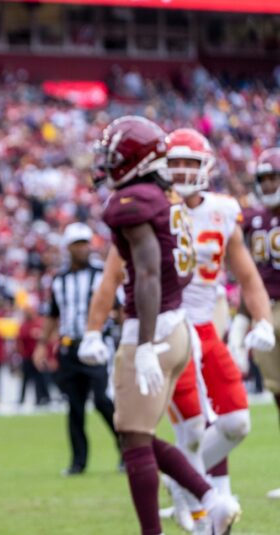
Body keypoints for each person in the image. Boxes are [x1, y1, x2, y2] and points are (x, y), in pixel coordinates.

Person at [82, 116, 240, 534]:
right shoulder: (163, 196)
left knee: (133, 442)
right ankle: (211, 498)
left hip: (149, 330)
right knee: (141, 434)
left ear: (136, 159)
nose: (106, 164)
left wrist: (146, 344)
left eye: (114, 156)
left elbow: (149, 273)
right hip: (178, 326)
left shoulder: (133, 201)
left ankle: (163, 525)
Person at [153, 129, 274, 528]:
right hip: (169, 328)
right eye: (176, 162)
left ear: (205, 167)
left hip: (206, 327)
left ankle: (183, 481)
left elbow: (248, 276)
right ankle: (208, 510)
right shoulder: (150, 208)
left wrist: (262, 321)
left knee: (237, 422)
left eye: (191, 162)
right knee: (189, 433)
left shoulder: (222, 210)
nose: (184, 171)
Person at [34, 222, 117, 476]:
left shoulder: (102, 273)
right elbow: (52, 314)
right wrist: (41, 345)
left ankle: (126, 450)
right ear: (68, 248)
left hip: (96, 344)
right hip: (69, 347)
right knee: (75, 406)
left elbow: (119, 306)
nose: (83, 249)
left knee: (103, 400)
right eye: (77, 244)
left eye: (85, 243)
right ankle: (78, 462)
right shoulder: (59, 279)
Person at [232, 146, 280, 499]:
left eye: (273, 176)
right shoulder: (253, 220)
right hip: (267, 311)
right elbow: (250, 277)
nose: (268, 183)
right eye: (263, 178)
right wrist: (242, 319)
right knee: (279, 395)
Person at [17, 307, 51, 406]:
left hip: (38, 357)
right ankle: (21, 399)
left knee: (40, 378)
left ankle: (41, 398)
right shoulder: (23, 325)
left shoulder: (39, 323)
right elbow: (20, 340)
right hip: (27, 356)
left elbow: (46, 338)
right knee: (25, 379)